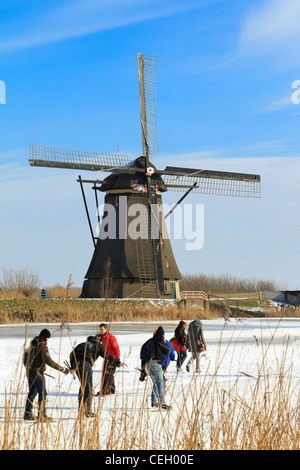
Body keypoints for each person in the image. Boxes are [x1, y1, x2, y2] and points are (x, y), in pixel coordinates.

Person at [70, 335, 126, 417]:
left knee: (83, 385)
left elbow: (72, 354)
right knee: (88, 387)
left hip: (76, 364)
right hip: (85, 363)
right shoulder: (98, 345)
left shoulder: (81, 344)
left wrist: (72, 366)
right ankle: (87, 411)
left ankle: (81, 410)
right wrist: (118, 362)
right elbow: (107, 355)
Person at [23, 328, 69, 421]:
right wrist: (62, 369)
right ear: (44, 338)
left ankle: (27, 414)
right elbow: (48, 361)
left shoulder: (33, 343)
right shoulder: (42, 346)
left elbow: (25, 358)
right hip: (37, 373)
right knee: (43, 393)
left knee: (32, 392)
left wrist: (29, 368)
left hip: (30, 372)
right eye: (47, 338)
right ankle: (42, 415)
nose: (48, 340)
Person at [140, 326, 172, 410]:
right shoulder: (159, 341)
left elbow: (142, 356)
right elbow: (168, 352)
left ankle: (154, 402)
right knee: (160, 383)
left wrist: (143, 370)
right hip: (156, 364)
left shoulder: (148, 342)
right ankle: (162, 403)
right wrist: (164, 342)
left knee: (156, 383)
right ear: (162, 334)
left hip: (148, 365)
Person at [97, 323, 120, 396]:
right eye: (100, 329)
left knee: (109, 375)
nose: (100, 331)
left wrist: (117, 360)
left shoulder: (111, 337)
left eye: (102, 329)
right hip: (106, 359)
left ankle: (110, 390)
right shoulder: (100, 338)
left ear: (106, 329)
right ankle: (104, 390)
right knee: (104, 375)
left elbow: (116, 349)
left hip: (112, 359)